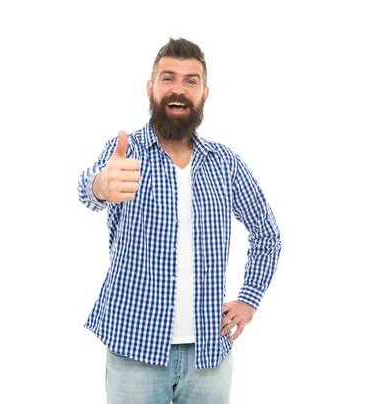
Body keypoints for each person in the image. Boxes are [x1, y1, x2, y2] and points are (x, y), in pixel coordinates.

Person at [77, 37, 281, 404]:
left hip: (209, 357)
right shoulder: (127, 152)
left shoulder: (224, 164)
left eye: (191, 81)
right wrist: (102, 185)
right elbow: (88, 188)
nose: (179, 89)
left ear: (204, 94)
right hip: (135, 351)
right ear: (151, 89)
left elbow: (267, 235)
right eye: (168, 78)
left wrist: (248, 300)